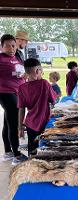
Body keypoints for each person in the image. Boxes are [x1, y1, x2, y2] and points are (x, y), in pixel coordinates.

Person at [18, 58, 57, 156]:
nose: (42, 73)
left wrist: (20, 128)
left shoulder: (21, 88)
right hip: (45, 123)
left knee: (32, 150)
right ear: (37, 71)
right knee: (45, 149)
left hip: (30, 124)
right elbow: (53, 100)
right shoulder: (45, 83)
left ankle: (31, 165)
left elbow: (21, 109)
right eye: (41, 71)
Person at [0, 34, 27, 165]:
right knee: (14, 123)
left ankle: (8, 152)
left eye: (13, 45)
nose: (11, 48)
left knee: (7, 123)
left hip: (17, 93)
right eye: (8, 46)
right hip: (6, 93)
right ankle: (17, 155)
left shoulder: (17, 57)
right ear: (1, 46)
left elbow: (20, 73)